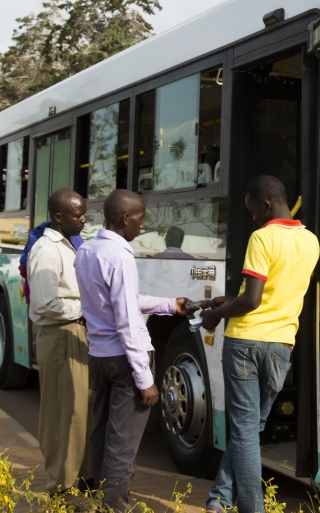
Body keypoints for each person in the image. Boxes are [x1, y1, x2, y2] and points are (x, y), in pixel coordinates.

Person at [201, 176, 319, 513]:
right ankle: (220, 499)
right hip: (282, 345)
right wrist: (230, 300)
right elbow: (281, 290)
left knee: (244, 431)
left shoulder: (262, 237)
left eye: (253, 211)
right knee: (249, 429)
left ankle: (252, 509)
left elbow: (253, 301)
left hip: (245, 342)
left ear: (266, 205)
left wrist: (215, 316)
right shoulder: (310, 241)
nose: (252, 217)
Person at [75, 189, 188, 510]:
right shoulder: (120, 256)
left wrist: (169, 305)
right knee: (123, 440)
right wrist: (144, 379)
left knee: (101, 431)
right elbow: (126, 319)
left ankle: (102, 494)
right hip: (126, 361)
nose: (142, 225)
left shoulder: (87, 251)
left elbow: (120, 303)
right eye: (140, 218)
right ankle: (115, 503)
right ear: (125, 218)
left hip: (99, 356)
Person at [28, 190, 93, 495]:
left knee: (80, 412)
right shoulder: (46, 250)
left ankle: (81, 478)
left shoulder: (69, 246)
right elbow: (44, 303)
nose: (83, 219)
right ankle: (61, 488)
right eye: (77, 214)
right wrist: (87, 307)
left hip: (74, 334)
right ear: (57, 217)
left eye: (83, 213)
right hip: (61, 335)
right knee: (63, 415)